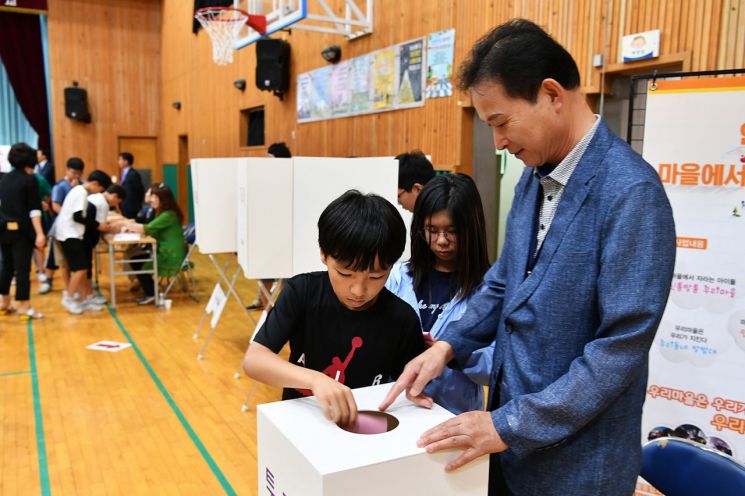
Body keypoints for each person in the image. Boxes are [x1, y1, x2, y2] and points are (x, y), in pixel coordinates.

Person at [379, 19, 676, 496]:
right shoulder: (533, 178)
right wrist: (446, 346)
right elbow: (503, 283)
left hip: (579, 464)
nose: (497, 142)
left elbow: (618, 349)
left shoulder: (631, 193)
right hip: (512, 447)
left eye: (500, 122)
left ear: (552, 95)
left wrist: (508, 424)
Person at [242, 190, 424, 426]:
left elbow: (410, 391)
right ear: (324, 255)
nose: (358, 290)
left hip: (364, 429)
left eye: (376, 276)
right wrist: (316, 380)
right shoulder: (302, 292)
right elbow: (254, 360)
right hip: (301, 422)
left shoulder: (402, 318)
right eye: (345, 274)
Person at [385, 173, 492, 415]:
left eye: (452, 231)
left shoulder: (488, 291)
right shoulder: (398, 278)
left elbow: (496, 365)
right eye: (431, 230)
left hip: (455, 416)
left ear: (471, 229)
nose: (441, 241)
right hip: (399, 410)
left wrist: (452, 352)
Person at [0, 143, 46, 320]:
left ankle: (4, 302)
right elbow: (34, 210)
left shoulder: (5, 179)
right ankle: (24, 306)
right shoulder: (30, 180)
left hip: (3, 229)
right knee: (22, 269)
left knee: (7, 267)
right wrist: (40, 233)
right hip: (21, 231)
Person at [55, 170, 111, 314]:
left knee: (83, 268)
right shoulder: (81, 193)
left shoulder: (79, 191)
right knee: (79, 269)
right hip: (69, 234)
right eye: (100, 189)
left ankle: (84, 299)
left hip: (71, 233)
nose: (99, 193)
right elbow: (78, 217)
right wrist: (98, 225)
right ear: (95, 184)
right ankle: (69, 298)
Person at [118, 185, 185, 305]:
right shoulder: (165, 213)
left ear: (163, 199)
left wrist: (126, 224)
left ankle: (151, 294)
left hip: (169, 255)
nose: (151, 199)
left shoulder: (168, 215)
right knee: (136, 258)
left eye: (154, 197)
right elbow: (150, 229)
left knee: (137, 261)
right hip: (165, 251)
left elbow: (147, 228)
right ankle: (148, 289)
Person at [246, 141, 292, 311]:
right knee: (265, 273)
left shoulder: (290, 178)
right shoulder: (265, 179)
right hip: (268, 234)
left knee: (287, 277)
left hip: (286, 236)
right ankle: (267, 311)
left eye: (270, 158)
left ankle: (285, 309)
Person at [40, 157, 85, 294]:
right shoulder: (60, 186)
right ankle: (58, 284)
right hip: (61, 228)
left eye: (79, 173)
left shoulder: (81, 186)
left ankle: (74, 287)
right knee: (60, 260)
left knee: (71, 261)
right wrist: (69, 216)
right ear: (66, 170)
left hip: (76, 229)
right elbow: (55, 206)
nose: (76, 176)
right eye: (73, 172)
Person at [83, 184, 126, 304]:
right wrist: (118, 228)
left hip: (82, 235)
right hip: (87, 237)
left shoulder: (96, 196)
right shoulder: (103, 203)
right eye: (118, 201)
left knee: (85, 266)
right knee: (86, 267)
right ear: (114, 196)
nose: (116, 204)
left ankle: (85, 293)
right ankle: (88, 295)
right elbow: (101, 227)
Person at [117, 152, 144, 219]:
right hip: (124, 205)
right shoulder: (123, 173)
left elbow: (140, 190)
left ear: (126, 161)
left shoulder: (133, 174)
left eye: (120, 159)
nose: (118, 162)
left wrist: (139, 205)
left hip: (132, 206)